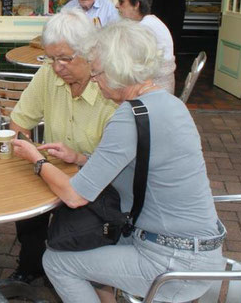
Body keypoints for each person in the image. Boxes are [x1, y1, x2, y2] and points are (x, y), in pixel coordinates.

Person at [13, 21, 225, 303]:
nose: (95, 79)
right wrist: (78, 158)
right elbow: (136, 166)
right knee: (91, 241)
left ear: (118, 71)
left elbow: (74, 196)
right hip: (201, 251)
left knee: (56, 262)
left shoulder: (129, 116)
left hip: (173, 262)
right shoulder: (170, 104)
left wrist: (37, 160)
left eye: (98, 72)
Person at [8, 8, 117, 283]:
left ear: (90, 53)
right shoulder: (48, 74)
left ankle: (74, 272)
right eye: (51, 58)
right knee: (25, 197)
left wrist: (79, 158)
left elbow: (113, 168)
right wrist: (27, 148)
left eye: (66, 58)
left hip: (97, 182)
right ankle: (31, 263)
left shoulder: (110, 88)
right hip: (51, 169)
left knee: (72, 234)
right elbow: (18, 123)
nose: (57, 67)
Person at [116, 0, 176, 93]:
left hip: (155, 91)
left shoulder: (145, 27)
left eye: (121, 1)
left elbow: (126, 61)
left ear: (136, 5)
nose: (117, 5)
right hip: (160, 86)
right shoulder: (151, 22)